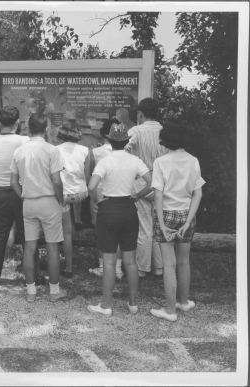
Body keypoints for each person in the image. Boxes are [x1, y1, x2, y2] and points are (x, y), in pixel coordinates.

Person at [87, 123, 152, 317]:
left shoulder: (105, 161)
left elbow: (91, 186)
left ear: (108, 139)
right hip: (128, 208)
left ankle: (106, 305)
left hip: (108, 209)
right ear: (126, 141)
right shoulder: (135, 160)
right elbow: (152, 182)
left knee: (109, 262)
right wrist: (138, 195)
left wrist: (97, 200)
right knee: (130, 261)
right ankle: (132, 304)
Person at [150, 120, 204, 322]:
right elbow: (197, 194)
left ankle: (170, 310)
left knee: (169, 264)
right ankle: (184, 302)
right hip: (186, 213)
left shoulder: (160, 162)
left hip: (166, 213)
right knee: (184, 262)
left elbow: (157, 195)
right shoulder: (194, 160)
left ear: (166, 139)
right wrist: (188, 221)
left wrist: (162, 225)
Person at [10, 112, 67, 303]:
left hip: (29, 202)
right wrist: (61, 200)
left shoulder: (19, 151)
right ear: (47, 129)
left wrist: (24, 195)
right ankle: (54, 291)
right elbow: (57, 181)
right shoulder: (52, 150)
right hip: (49, 201)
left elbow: (13, 182)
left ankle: (31, 292)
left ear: (28, 128)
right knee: (52, 248)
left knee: (29, 248)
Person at [0, 106, 30, 288]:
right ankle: (32, 277)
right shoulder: (24, 141)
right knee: (28, 237)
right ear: (17, 123)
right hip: (21, 193)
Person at [125, 98, 168, 278]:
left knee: (144, 227)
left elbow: (125, 149)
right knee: (159, 226)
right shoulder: (164, 131)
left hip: (141, 181)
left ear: (140, 114)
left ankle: (142, 267)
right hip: (161, 182)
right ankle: (159, 267)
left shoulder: (135, 131)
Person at [88, 119, 124, 280]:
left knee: (101, 233)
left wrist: (94, 199)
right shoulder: (126, 153)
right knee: (119, 234)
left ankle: (102, 267)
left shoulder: (95, 153)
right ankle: (118, 268)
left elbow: (89, 176)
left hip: (100, 194)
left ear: (104, 134)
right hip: (119, 194)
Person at [56, 120, 90, 278]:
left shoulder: (55, 150)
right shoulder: (85, 150)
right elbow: (87, 176)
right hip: (81, 194)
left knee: (66, 233)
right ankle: (78, 220)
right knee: (77, 186)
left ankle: (68, 268)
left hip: (63, 195)